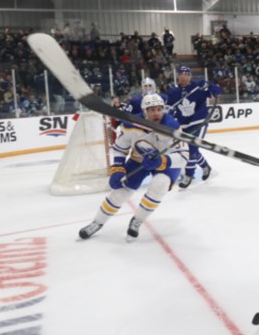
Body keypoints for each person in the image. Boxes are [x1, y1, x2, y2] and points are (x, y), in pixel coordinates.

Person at [79, 94, 187, 241]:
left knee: (159, 185)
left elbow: (183, 157)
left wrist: (163, 161)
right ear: (144, 111)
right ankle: (97, 222)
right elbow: (120, 148)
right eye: (151, 109)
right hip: (139, 160)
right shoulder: (130, 125)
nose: (156, 113)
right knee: (120, 192)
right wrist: (117, 167)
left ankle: (137, 220)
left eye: (159, 109)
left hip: (165, 163)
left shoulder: (172, 127)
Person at [166, 66, 222, 188]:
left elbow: (215, 92)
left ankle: (189, 175)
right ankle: (205, 166)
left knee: (192, 148)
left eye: (187, 74)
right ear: (178, 76)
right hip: (183, 125)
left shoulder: (197, 88)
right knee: (191, 149)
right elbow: (168, 109)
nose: (184, 76)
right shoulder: (173, 92)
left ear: (190, 76)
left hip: (199, 122)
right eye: (182, 73)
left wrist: (209, 84)